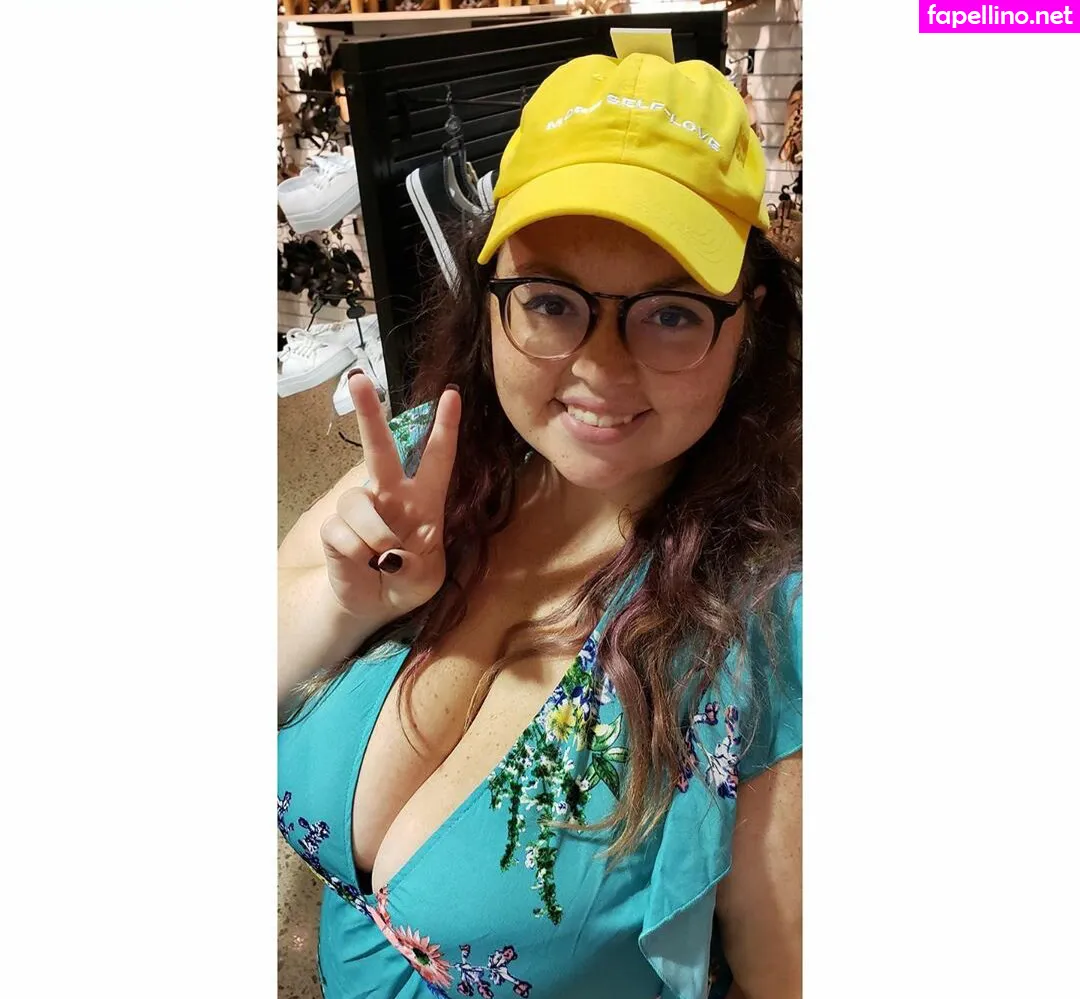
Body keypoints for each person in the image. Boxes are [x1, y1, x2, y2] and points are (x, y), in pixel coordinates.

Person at [278, 40, 802, 999]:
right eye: (552, 301)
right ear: (489, 299)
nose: (600, 368)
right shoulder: (424, 463)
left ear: (748, 320)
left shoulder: (767, 633)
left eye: (671, 313)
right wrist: (347, 605)